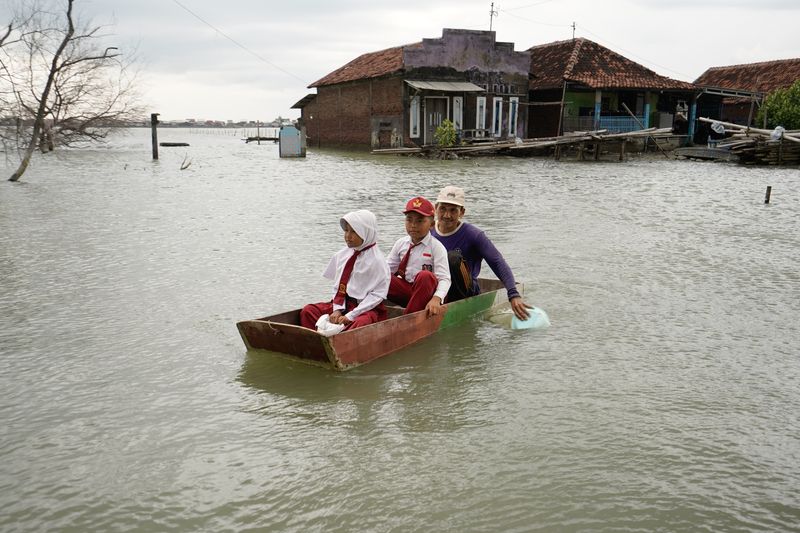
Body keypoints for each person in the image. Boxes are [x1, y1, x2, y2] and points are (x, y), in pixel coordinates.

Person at [432, 185, 532, 321]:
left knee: (452, 257)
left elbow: (497, 262)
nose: (447, 215)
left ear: (462, 212)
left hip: (464, 292)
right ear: (435, 208)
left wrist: (513, 294)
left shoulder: (473, 235)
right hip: (435, 289)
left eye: (453, 210)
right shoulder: (427, 231)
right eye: (442, 209)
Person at [299, 210, 390, 331]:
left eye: (354, 232)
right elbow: (337, 287)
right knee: (308, 311)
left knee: (360, 323)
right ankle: (317, 341)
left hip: (365, 309)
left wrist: (351, 315)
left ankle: (341, 342)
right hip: (343, 304)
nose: (348, 236)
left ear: (366, 233)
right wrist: (337, 309)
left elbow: (377, 296)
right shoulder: (341, 255)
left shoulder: (378, 262)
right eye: (346, 230)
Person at [386, 196, 451, 316]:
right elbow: (387, 270)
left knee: (425, 276)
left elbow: (445, 279)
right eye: (409, 220)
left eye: (420, 221)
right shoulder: (401, 244)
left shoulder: (436, 247)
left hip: (428, 295)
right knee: (381, 274)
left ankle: (408, 319)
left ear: (431, 224)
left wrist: (436, 299)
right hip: (409, 292)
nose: (413, 225)